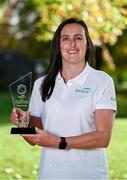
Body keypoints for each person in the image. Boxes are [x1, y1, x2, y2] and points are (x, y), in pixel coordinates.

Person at [11, 18, 117, 180]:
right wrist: (22, 124)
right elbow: (35, 139)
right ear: (58, 46)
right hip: (50, 174)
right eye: (65, 39)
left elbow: (103, 137)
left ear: (87, 44)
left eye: (78, 38)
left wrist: (60, 142)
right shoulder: (42, 84)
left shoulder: (102, 81)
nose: (72, 44)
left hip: (89, 175)